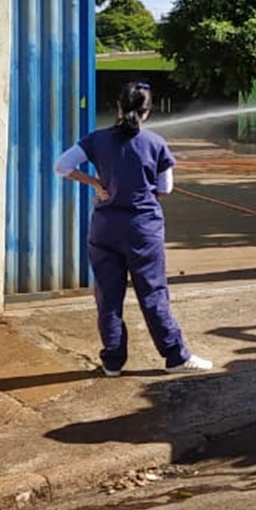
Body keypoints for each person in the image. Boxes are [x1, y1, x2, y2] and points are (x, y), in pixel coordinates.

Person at [54, 81, 214, 377]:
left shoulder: (96, 139)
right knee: (152, 294)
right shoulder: (155, 143)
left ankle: (112, 362)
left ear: (118, 107)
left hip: (104, 229)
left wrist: (97, 184)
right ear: (148, 111)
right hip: (143, 229)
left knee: (108, 297)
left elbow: (61, 166)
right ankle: (175, 357)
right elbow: (165, 187)